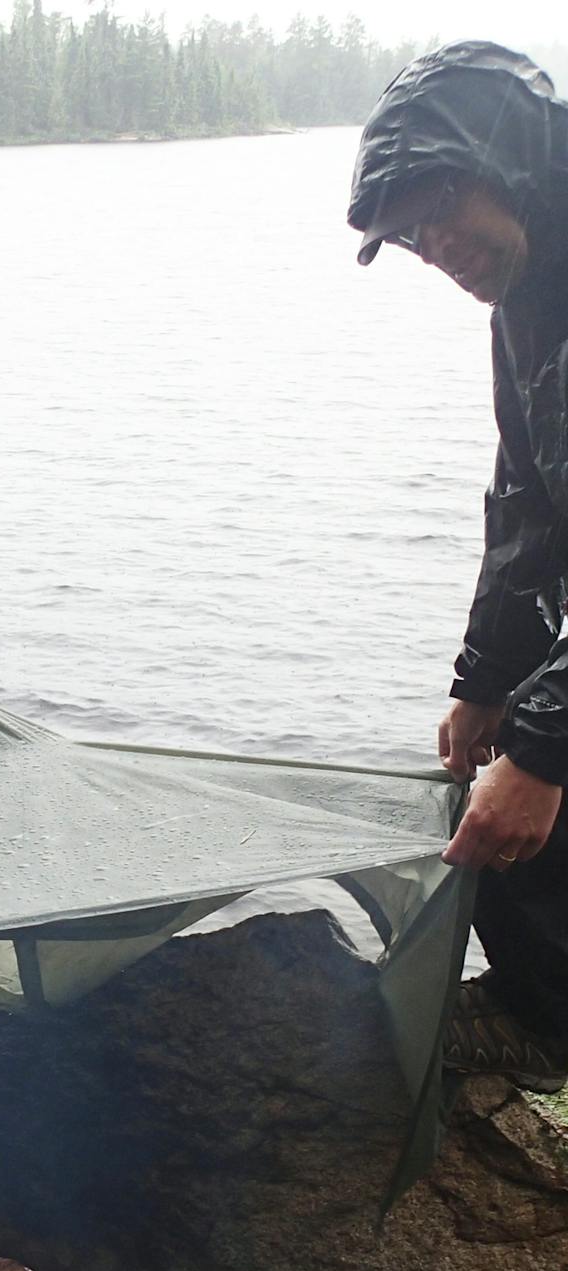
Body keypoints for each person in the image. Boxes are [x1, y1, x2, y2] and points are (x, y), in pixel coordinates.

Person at [349, 41, 568, 1093]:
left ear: (506, 159)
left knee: (528, 795)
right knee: (489, 811)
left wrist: (543, 747)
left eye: (436, 207)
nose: (430, 246)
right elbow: (526, 509)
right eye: (405, 233)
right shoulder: (524, 304)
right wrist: (485, 677)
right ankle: (546, 1034)